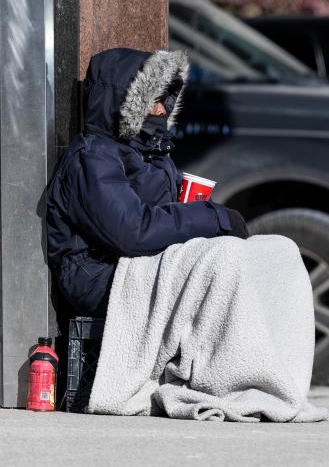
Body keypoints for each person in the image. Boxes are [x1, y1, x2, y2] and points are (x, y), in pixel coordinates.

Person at [47, 47, 249, 317]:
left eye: (166, 99)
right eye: (152, 99)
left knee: (267, 257)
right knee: (220, 286)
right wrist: (215, 218)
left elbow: (167, 214)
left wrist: (208, 214)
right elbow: (132, 231)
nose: (161, 108)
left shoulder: (150, 152)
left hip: (139, 262)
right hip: (97, 274)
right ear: (126, 103)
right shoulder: (92, 157)